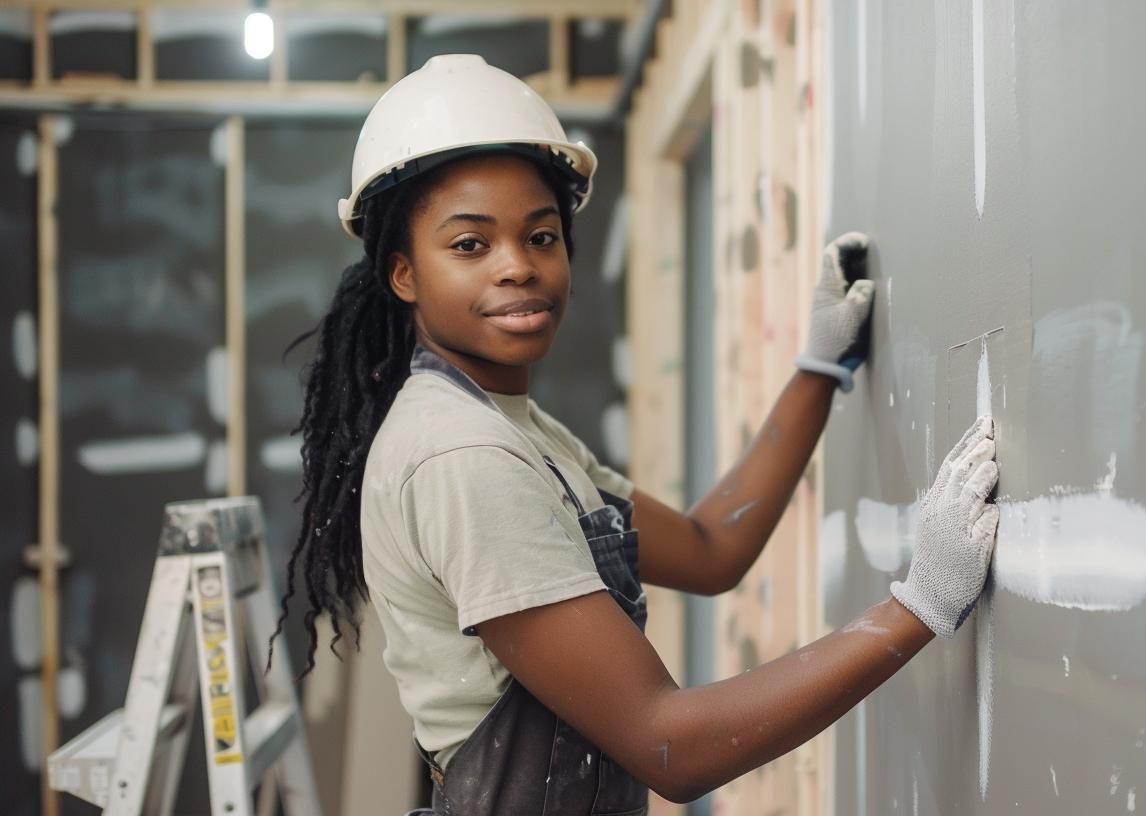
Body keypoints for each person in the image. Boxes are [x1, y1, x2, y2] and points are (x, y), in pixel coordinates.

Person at [274, 54, 1000, 815]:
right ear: (403, 274)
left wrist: (817, 367)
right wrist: (917, 607)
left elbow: (711, 547)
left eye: (542, 236)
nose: (518, 267)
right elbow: (670, 747)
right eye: (469, 245)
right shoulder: (462, 456)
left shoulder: (514, 428)